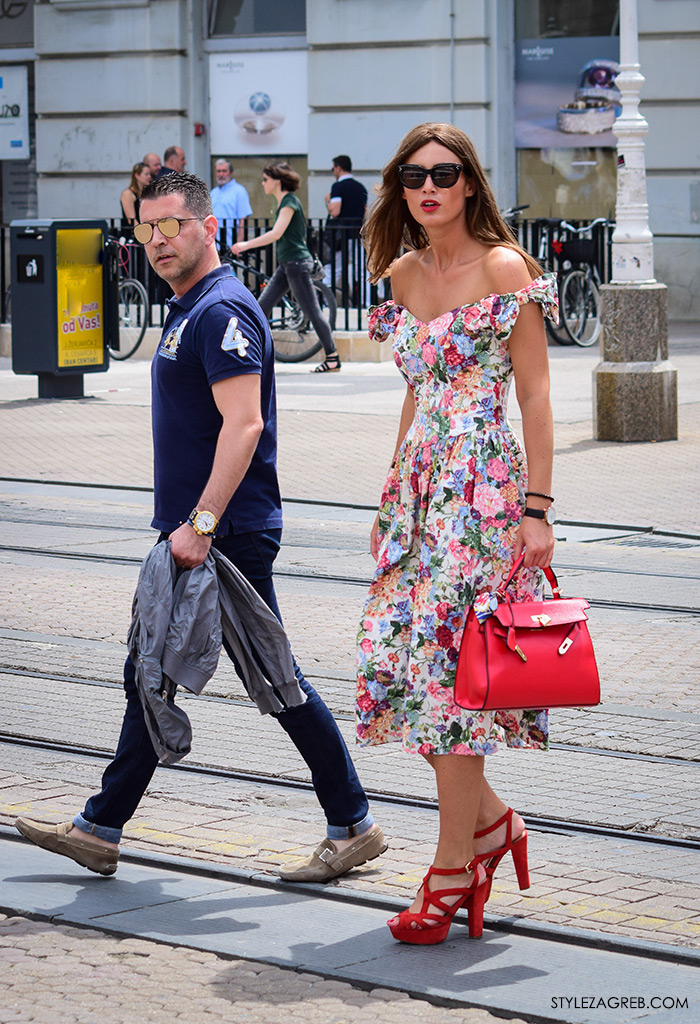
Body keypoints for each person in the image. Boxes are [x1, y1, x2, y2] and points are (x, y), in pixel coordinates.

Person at [15, 171, 386, 884]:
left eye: (171, 226)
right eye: (145, 229)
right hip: (203, 530)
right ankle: (102, 826)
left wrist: (201, 525)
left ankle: (353, 823)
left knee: (266, 680)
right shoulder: (189, 307)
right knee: (158, 673)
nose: (156, 241)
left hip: (224, 532)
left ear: (208, 227)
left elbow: (244, 426)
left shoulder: (220, 312)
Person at [356, 123, 557, 945]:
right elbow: (416, 388)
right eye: (413, 176)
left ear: (470, 183)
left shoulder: (505, 269)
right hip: (418, 492)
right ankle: (492, 826)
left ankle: (449, 872)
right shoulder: (402, 274)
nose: (428, 188)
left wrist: (538, 509)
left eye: (444, 174)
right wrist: (393, 486)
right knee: (411, 663)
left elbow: (538, 397)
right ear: (400, 189)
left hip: (484, 495)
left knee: (459, 681)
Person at [232, 161, 340, 374]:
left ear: (276, 181)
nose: (262, 183)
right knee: (260, 308)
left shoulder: (290, 201)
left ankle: (332, 357)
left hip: (296, 264)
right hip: (287, 265)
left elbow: (276, 233)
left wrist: (245, 244)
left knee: (313, 311)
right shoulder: (283, 203)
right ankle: (250, 355)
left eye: (265, 180)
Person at [324, 154, 368, 301]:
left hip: (341, 237)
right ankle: (365, 302)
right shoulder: (360, 187)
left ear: (338, 168)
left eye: (333, 169)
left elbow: (335, 211)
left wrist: (328, 202)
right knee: (361, 271)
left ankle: (324, 303)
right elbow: (366, 211)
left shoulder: (338, 187)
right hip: (358, 234)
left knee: (333, 269)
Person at [210, 158, 253, 247]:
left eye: (224, 171)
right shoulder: (213, 192)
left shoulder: (239, 191)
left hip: (230, 245)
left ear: (231, 173)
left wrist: (237, 246)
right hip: (214, 246)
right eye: (218, 171)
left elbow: (243, 221)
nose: (221, 174)